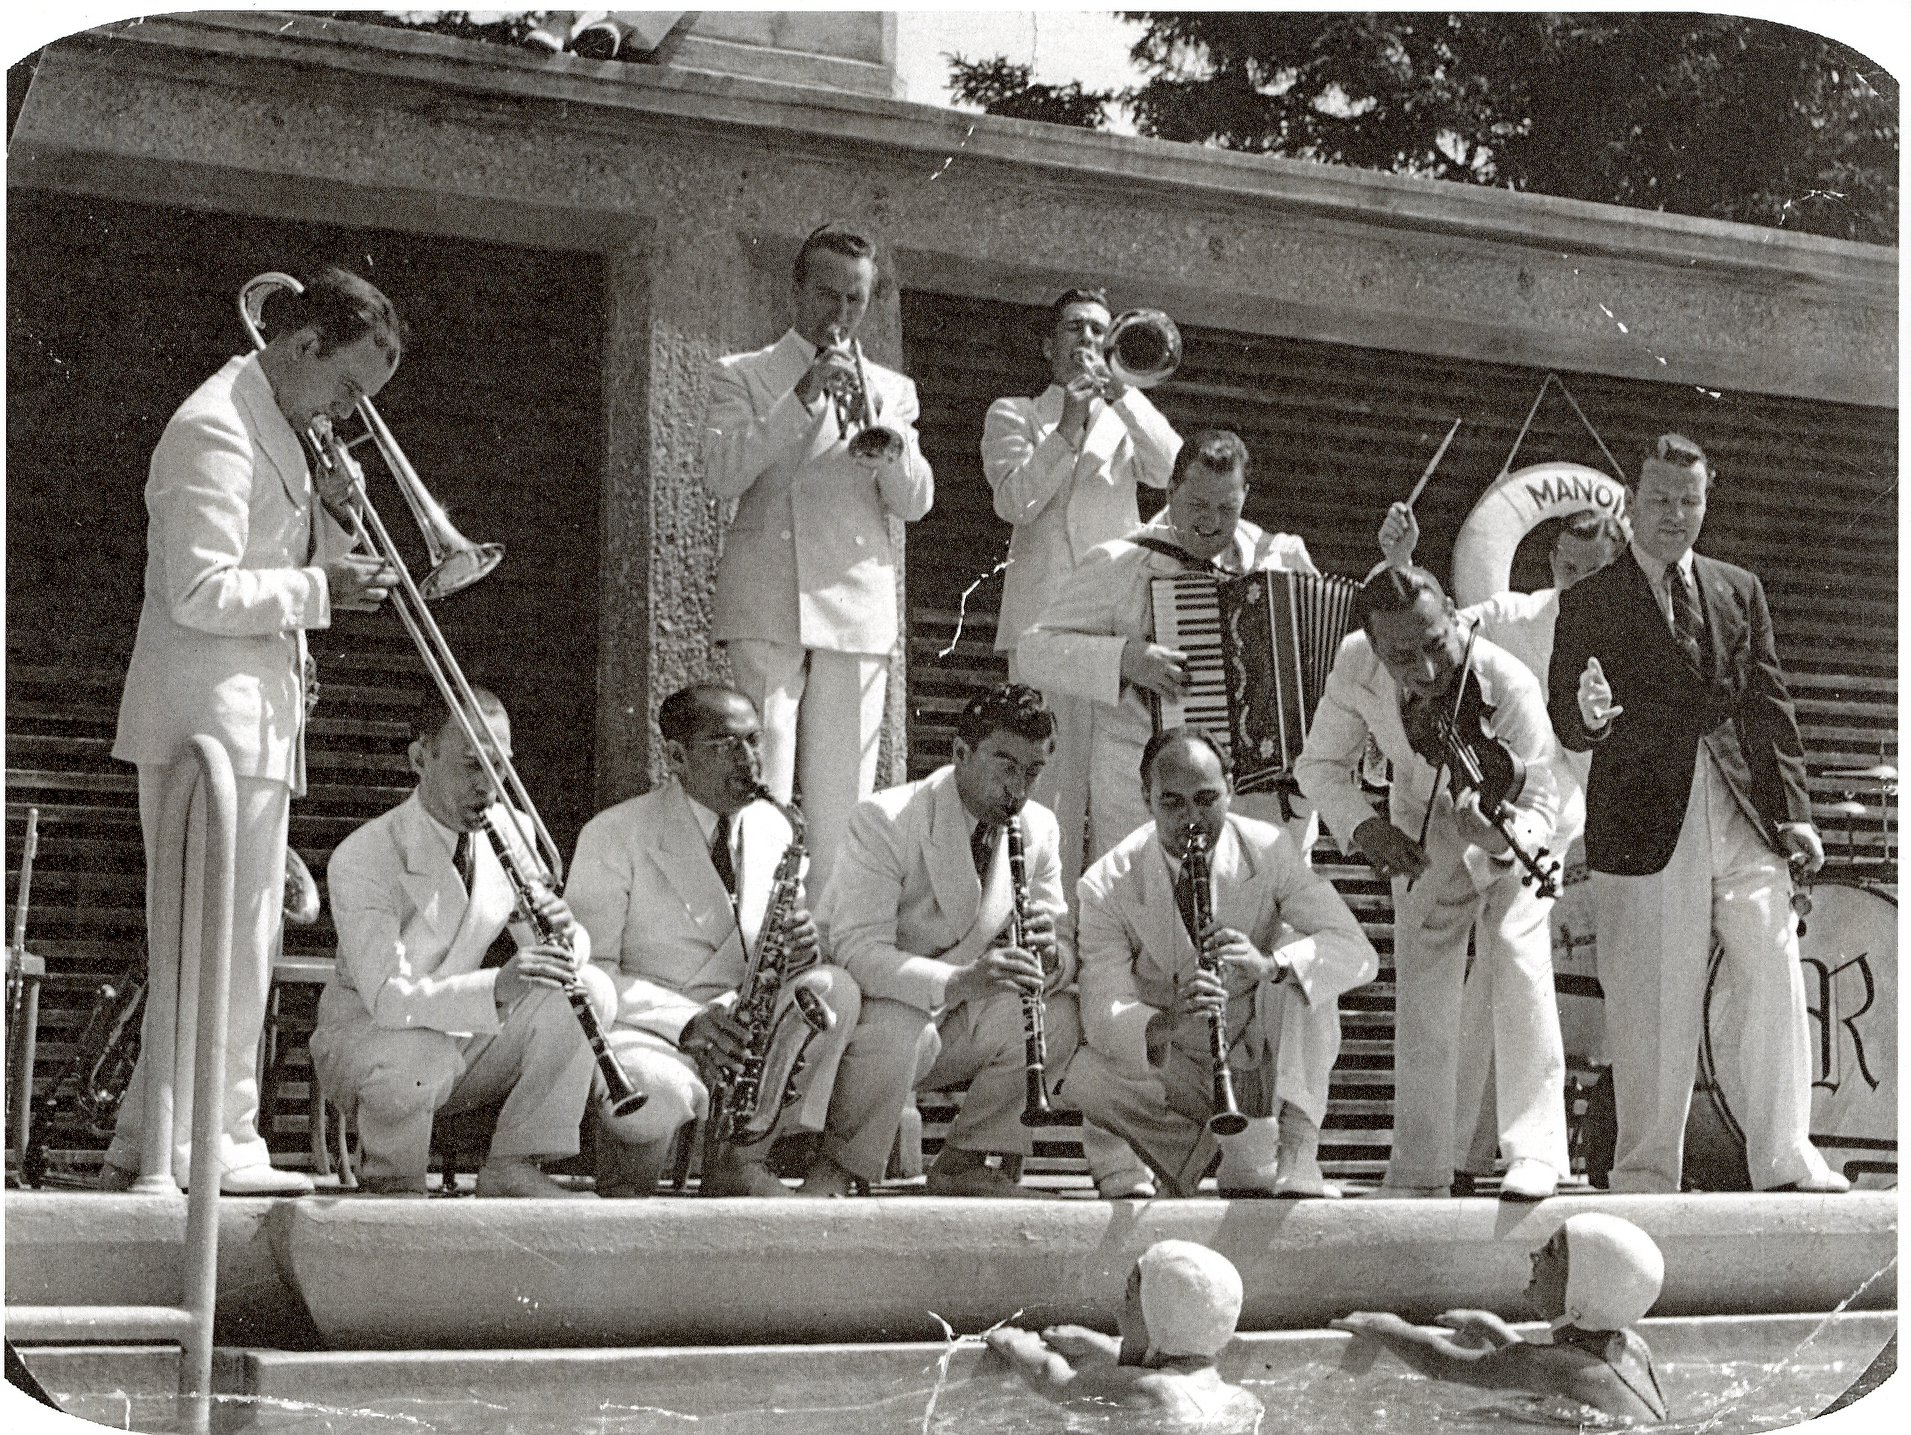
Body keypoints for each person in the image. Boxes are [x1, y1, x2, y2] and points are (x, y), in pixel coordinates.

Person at [101, 266, 402, 1195]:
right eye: (349, 387)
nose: (352, 411)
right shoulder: (214, 427)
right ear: (303, 346)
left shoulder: (271, 421)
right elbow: (195, 590)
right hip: (207, 722)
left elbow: (260, 562)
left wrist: (328, 525)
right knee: (211, 944)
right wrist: (322, 590)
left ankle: (172, 1135)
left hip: (251, 721)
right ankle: (194, 1145)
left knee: (238, 944)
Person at [1550, 433, 1846, 1193]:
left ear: (1705, 501)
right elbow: (1566, 713)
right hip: (1647, 823)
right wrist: (1587, 719)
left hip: (1740, 815)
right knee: (1652, 1003)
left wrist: (1797, 814)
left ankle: (1784, 1156)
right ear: (1628, 502)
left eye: (1690, 500)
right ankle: (1646, 1170)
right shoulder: (1590, 599)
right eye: (1660, 499)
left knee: (1774, 970)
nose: (1675, 515)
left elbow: (1767, 707)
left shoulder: (1736, 587)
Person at [1297, 567, 1569, 1200]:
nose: (1423, 672)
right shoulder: (1356, 662)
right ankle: (1418, 1170)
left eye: (1435, 645)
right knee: (1422, 987)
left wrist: (1499, 834)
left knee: (1514, 952)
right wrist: (1366, 833)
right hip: (1421, 821)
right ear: (1370, 642)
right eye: (1400, 657)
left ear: (1454, 615)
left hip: (1514, 818)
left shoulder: (1510, 683)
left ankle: (1536, 1153)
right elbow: (1320, 766)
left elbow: (1547, 803)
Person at [1377, 504, 1625, 1189]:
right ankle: (1483, 1149)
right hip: (1501, 807)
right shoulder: (1512, 616)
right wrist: (1398, 563)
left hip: (1574, 814)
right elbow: (1432, 630)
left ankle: (1478, 1150)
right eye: (1567, 570)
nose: (1577, 586)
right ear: (1550, 566)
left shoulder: (1636, 631)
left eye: (1594, 573)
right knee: (1499, 966)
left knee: (1513, 961)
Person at [817, 684, 1146, 1197]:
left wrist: (1050, 955)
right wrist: (961, 980)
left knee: (1056, 1017)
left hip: (952, 1023)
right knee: (905, 1024)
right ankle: (841, 1166)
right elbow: (856, 952)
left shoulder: (1038, 826)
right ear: (960, 753)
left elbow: (1058, 933)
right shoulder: (885, 819)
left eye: (1032, 772)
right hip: (876, 1024)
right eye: (1005, 764)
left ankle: (968, 1159)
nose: (1017, 787)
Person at [700, 221, 935, 895]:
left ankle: (831, 947)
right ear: (795, 291)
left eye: (854, 301)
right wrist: (801, 397)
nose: (839, 314)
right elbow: (722, 475)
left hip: (853, 605)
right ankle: (754, 932)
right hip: (767, 599)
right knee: (761, 784)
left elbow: (914, 503)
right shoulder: (740, 374)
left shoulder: (892, 388)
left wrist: (890, 444)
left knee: (844, 804)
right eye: (826, 295)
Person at [312, 688, 622, 1197]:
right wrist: (498, 987)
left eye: (499, 768)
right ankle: (393, 1181)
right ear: (420, 758)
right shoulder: (365, 854)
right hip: (371, 1043)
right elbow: (389, 999)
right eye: (470, 766)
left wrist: (566, 935)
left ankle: (515, 1165)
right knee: (417, 1056)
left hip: (459, 1043)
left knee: (589, 988)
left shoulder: (512, 830)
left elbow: (548, 947)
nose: (489, 788)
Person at [565, 683, 864, 1198]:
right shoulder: (612, 834)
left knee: (833, 987)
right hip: (653, 1029)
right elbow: (592, 974)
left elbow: (772, 951)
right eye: (725, 745)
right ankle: (628, 1207)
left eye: (754, 741)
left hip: (742, 1024)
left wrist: (802, 950)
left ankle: (744, 1160)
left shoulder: (775, 827)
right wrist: (688, 1023)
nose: (749, 761)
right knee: (654, 1093)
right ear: (677, 757)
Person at [1063, 728, 1377, 1198]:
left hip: (1251, 1057)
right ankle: (1168, 1160)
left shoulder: (1270, 848)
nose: (1192, 818)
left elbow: (1357, 952)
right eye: (1173, 803)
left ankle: (1295, 1152)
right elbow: (1103, 1010)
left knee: (1305, 965)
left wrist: (1271, 964)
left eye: (1206, 799)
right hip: (1175, 1069)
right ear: (1145, 799)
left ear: (1231, 789)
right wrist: (1167, 1023)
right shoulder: (1106, 883)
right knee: (1081, 1068)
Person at [1019, 429, 1317, 867]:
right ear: (1171, 490)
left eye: (1226, 508)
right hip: (1144, 791)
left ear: (1245, 497)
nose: (1210, 522)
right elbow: (1034, 651)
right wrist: (1124, 659)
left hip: (1252, 797)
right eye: (1197, 504)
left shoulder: (1277, 558)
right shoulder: (1121, 562)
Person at [983, 287, 1182, 891]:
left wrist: (1123, 396)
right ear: (1050, 344)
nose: (1090, 343)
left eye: (1100, 332)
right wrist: (1067, 428)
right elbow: (1014, 501)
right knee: (1044, 794)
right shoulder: (1013, 414)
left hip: (1114, 636)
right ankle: (1040, 926)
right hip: (1044, 634)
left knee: (1120, 791)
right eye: (1076, 329)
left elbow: (1178, 472)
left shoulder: (1125, 416)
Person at [1333, 1212, 1667, 1423]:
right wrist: (1493, 1328)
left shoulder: (1548, 1365)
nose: (1534, 1255)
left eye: (1552, 1252)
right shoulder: (1632, 1346)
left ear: (1583, 1286)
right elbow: (1553, 1371)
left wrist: (1384, 1327)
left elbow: (1444, 1364)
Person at [985, 1239, 1263, 1427]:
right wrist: (1103, 1346)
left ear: (1158, 1317)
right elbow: (1164, 1364)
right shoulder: (1242, 1402)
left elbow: (1052, 1379)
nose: (1119, 1309)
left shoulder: (1151, 1391)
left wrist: (1016, 1343)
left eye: (1130, 1297)